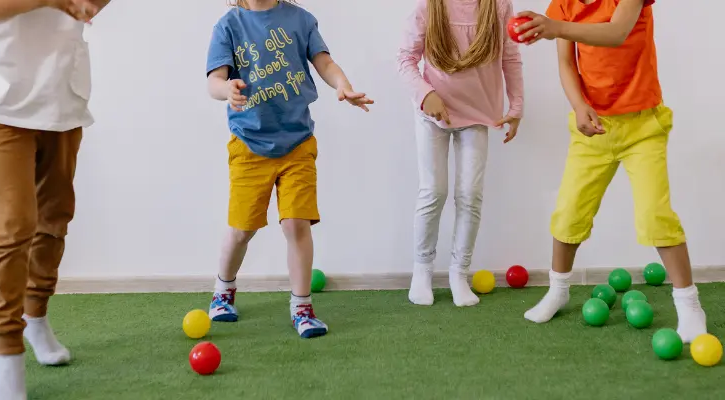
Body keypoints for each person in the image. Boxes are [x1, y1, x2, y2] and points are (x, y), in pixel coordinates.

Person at [514, 0, 708, 342]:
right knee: (569, 211)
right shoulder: (564, 4)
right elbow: (566, 63)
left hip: (643, 126)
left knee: (655, 215)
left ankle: (689, 303)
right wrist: (578, 106)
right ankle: (558, 289)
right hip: (594, 127)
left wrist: (554, 26)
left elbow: (616, 33)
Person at [0, 0, 109, 398]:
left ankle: (36, 316)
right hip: (2, 102)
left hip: (62, 96)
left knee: (54, 220)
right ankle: (7, 354)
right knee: (11, 227)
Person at [205, 0, 373, 338]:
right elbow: (214, 81)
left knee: (296, 224)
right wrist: (227, 89)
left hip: (297, 143)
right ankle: (223, 290)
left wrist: (341, 83)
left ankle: (302, 307)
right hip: (249, 145)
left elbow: (324, 62)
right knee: (241, 229)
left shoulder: (300, 19)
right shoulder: (228, 26)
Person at [397, 0, 524, 306]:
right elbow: (405, 58)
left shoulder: (498, 7)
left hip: (478, 114)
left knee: (470, 194)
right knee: (433, 192)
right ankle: (422, 272)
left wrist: (516, 106)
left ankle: (458, 273)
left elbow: (511, 58)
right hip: (432, 115)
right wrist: (426, 94)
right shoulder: (430, 6)